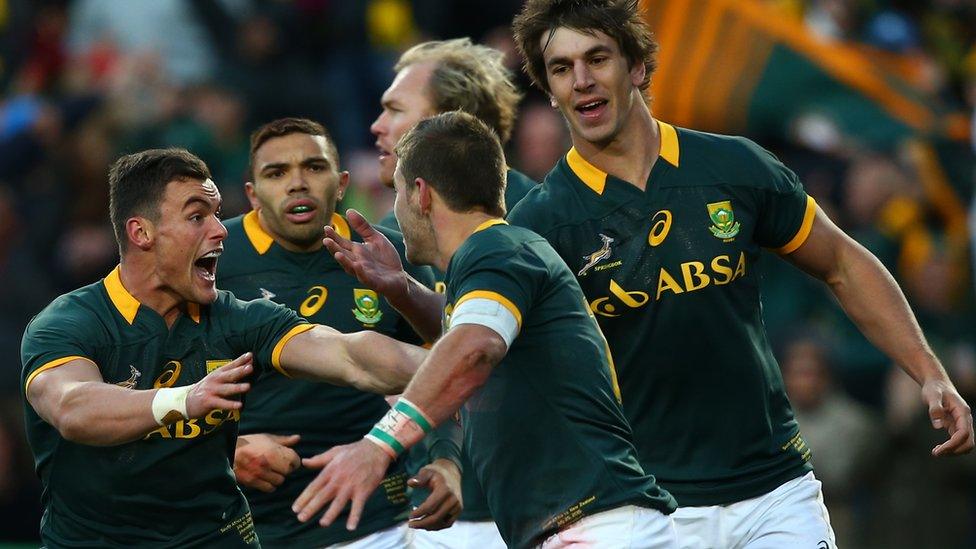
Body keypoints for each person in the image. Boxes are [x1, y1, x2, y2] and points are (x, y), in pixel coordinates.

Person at [505, 0, 974, 547]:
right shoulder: (540, 225)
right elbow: (501, 360)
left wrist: (928, 370)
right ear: (549, 88)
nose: (582, 80)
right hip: (646, 506)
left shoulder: (735, 167)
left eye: (598, 58)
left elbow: (844, 263)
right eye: (561, 68)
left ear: (636, 67)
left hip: (775, 491)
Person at [295, 111, 678, 549]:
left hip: (600, 527)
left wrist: (379, 444)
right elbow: (469, 332)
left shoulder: (497, 248)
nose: (394, 210)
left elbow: (475, 347)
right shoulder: (494, 258)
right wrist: (402, 289)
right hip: (585, 525)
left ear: (421, 194)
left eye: (396, 192)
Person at [20, 148, 427, 547]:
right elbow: (72, 408)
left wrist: (457, 361)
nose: (220, 230)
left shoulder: (236, 318)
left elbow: (350, 355)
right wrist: (184, 400)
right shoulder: (69, 324)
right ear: (140, 232)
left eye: (216, 213)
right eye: (198, 217)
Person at [216, 118, 461, 547]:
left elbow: (449, 368)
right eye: (276, 173)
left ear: (341, 181)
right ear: (252, 194)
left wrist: (446, 461)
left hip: (381, 523)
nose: (297, 183)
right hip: (252, 528)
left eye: (314, 167)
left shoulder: (390, 258)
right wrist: (222, 455)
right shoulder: (213, 262)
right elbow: (160, 382)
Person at [369, 37, 537, 546]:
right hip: (439, 516)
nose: (377, 127)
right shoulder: (388, 235)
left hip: (548, 506)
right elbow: (387, 371)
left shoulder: (541, 217)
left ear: (448, 123)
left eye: (395, 109)